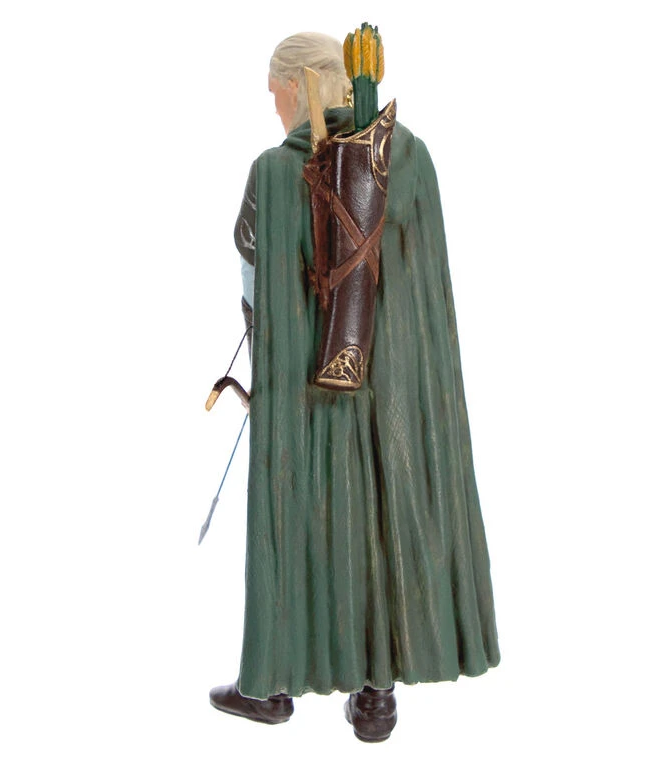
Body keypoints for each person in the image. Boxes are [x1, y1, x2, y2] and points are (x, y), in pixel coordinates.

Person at [209, 31, 500, 743]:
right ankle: (376, 698)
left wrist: (275, 324)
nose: (274, 107)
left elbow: (251, 270)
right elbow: (426, 273)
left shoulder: (273, 172)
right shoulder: (411, 156)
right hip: (398, 385)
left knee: (299, 516)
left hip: (306, 388)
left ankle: (273, 685)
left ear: (298, 87)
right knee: (379, 514)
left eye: (276, 93)